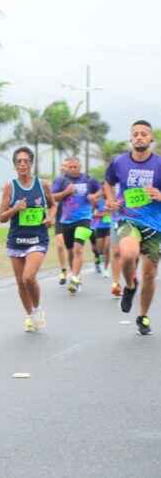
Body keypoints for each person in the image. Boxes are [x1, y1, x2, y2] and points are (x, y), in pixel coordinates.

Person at [105, 119, 161, 335]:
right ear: (130, 138)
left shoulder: (159, 164)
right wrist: (110, 200)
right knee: (128, 254)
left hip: (155, 226)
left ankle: (143, 316)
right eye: (135, 133)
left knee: (149, 274)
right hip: (128, 219)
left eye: (143, 134)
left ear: (151, 139)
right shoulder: (119, 162)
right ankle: (129, 286)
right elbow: (108, 183)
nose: (139, 137)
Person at [0, 146, 56, 332]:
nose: (22, 164)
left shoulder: (43, 185)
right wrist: (15, 209)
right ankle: (30, 316)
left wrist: (50, 217)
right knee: (21, 283)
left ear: (31, 164)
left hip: (38, 238)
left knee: (28, 277)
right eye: (19, 162)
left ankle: (37, 308)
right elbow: (1, 217)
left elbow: (53, 205)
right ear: (15, 165)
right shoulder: (10, 187)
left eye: (26, 161)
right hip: (16, 239)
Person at [52, 157, 100, 294]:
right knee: (71, 251)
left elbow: (101, 189)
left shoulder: (88, 179)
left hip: (84, 218)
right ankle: (75, 274)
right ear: (66, 168)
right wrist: (66, 192)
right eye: (70, 167)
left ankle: (73, 278)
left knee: (78, 248)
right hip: (66, 220)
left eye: (75, 167)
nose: (73, 169)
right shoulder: (61, 181)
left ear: (80, 167)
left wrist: (94, 196)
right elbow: (52, 197)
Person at [91, 188, 112, 277]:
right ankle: (99, 260)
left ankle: (106, 269)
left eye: (105, 190)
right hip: (99, 226)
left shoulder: (112, 200)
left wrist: (111, 212)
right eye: (102, 190)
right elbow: (91, 213)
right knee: (99, 249)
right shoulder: (98, 201)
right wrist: (100, 215)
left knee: (107, 247)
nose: (104, 192)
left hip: (110, 226)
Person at [55, 161, 68, 285]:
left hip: (75, 218)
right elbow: (52, 197)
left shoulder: (81, 181)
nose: (63, 168)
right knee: (60, 245)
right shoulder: (58, 181)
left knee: (73, 248)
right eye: (62, 165)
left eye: (66, 165)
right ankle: (63, 270)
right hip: (60, 217)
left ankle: (76, 272)